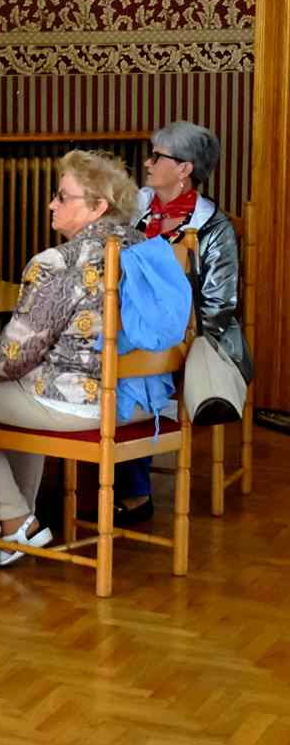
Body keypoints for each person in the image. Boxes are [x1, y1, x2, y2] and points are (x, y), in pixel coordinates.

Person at [0, 151, 150, 565]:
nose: (52, 204)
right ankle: (15, 520)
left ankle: (16, 522)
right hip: (140, 400)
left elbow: (15, 354)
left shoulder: (58, 262)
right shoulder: (146, 250)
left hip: (84, 404)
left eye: (62, 196)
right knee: (21, 386)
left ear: (97, 206)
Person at [106, 122, 254, 526]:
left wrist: (167, 326)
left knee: (135, 365)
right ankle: (100, 467)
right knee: (102, 351)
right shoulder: (134, 209)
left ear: (184, 169)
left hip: (191, 336)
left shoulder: (214, 228)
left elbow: (220, 306)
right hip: (132, 328)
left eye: (157, 156)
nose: (147, 163)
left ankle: (133, 490)